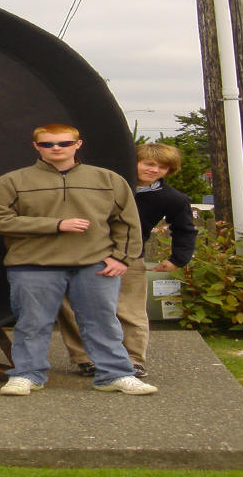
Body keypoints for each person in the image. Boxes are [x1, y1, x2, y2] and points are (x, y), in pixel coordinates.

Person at [0, 124, 158, 396]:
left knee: (102, 322)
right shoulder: (12, 182)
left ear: (78, 144)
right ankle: (27, 375)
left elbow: (126, 222)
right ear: (36, 146)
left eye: (64, 143)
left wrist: (122, 258)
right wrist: (55, 225)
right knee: (32, 323)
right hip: (33, 265)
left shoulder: (108, 180)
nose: (56, 148)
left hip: (94, 263)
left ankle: (115, 374)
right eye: (47, 144)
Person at [58, 142, 196, 377]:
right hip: (82, 252)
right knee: (72, 307)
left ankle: (133, 359)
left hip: (129, 256)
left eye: (162, 167)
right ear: (134, 162)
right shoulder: (102, 185)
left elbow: (185, 229)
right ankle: (86, 357)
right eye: (148, 163)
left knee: (129, 309)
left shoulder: (172, 198)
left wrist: (178, 258)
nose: (154, 170)